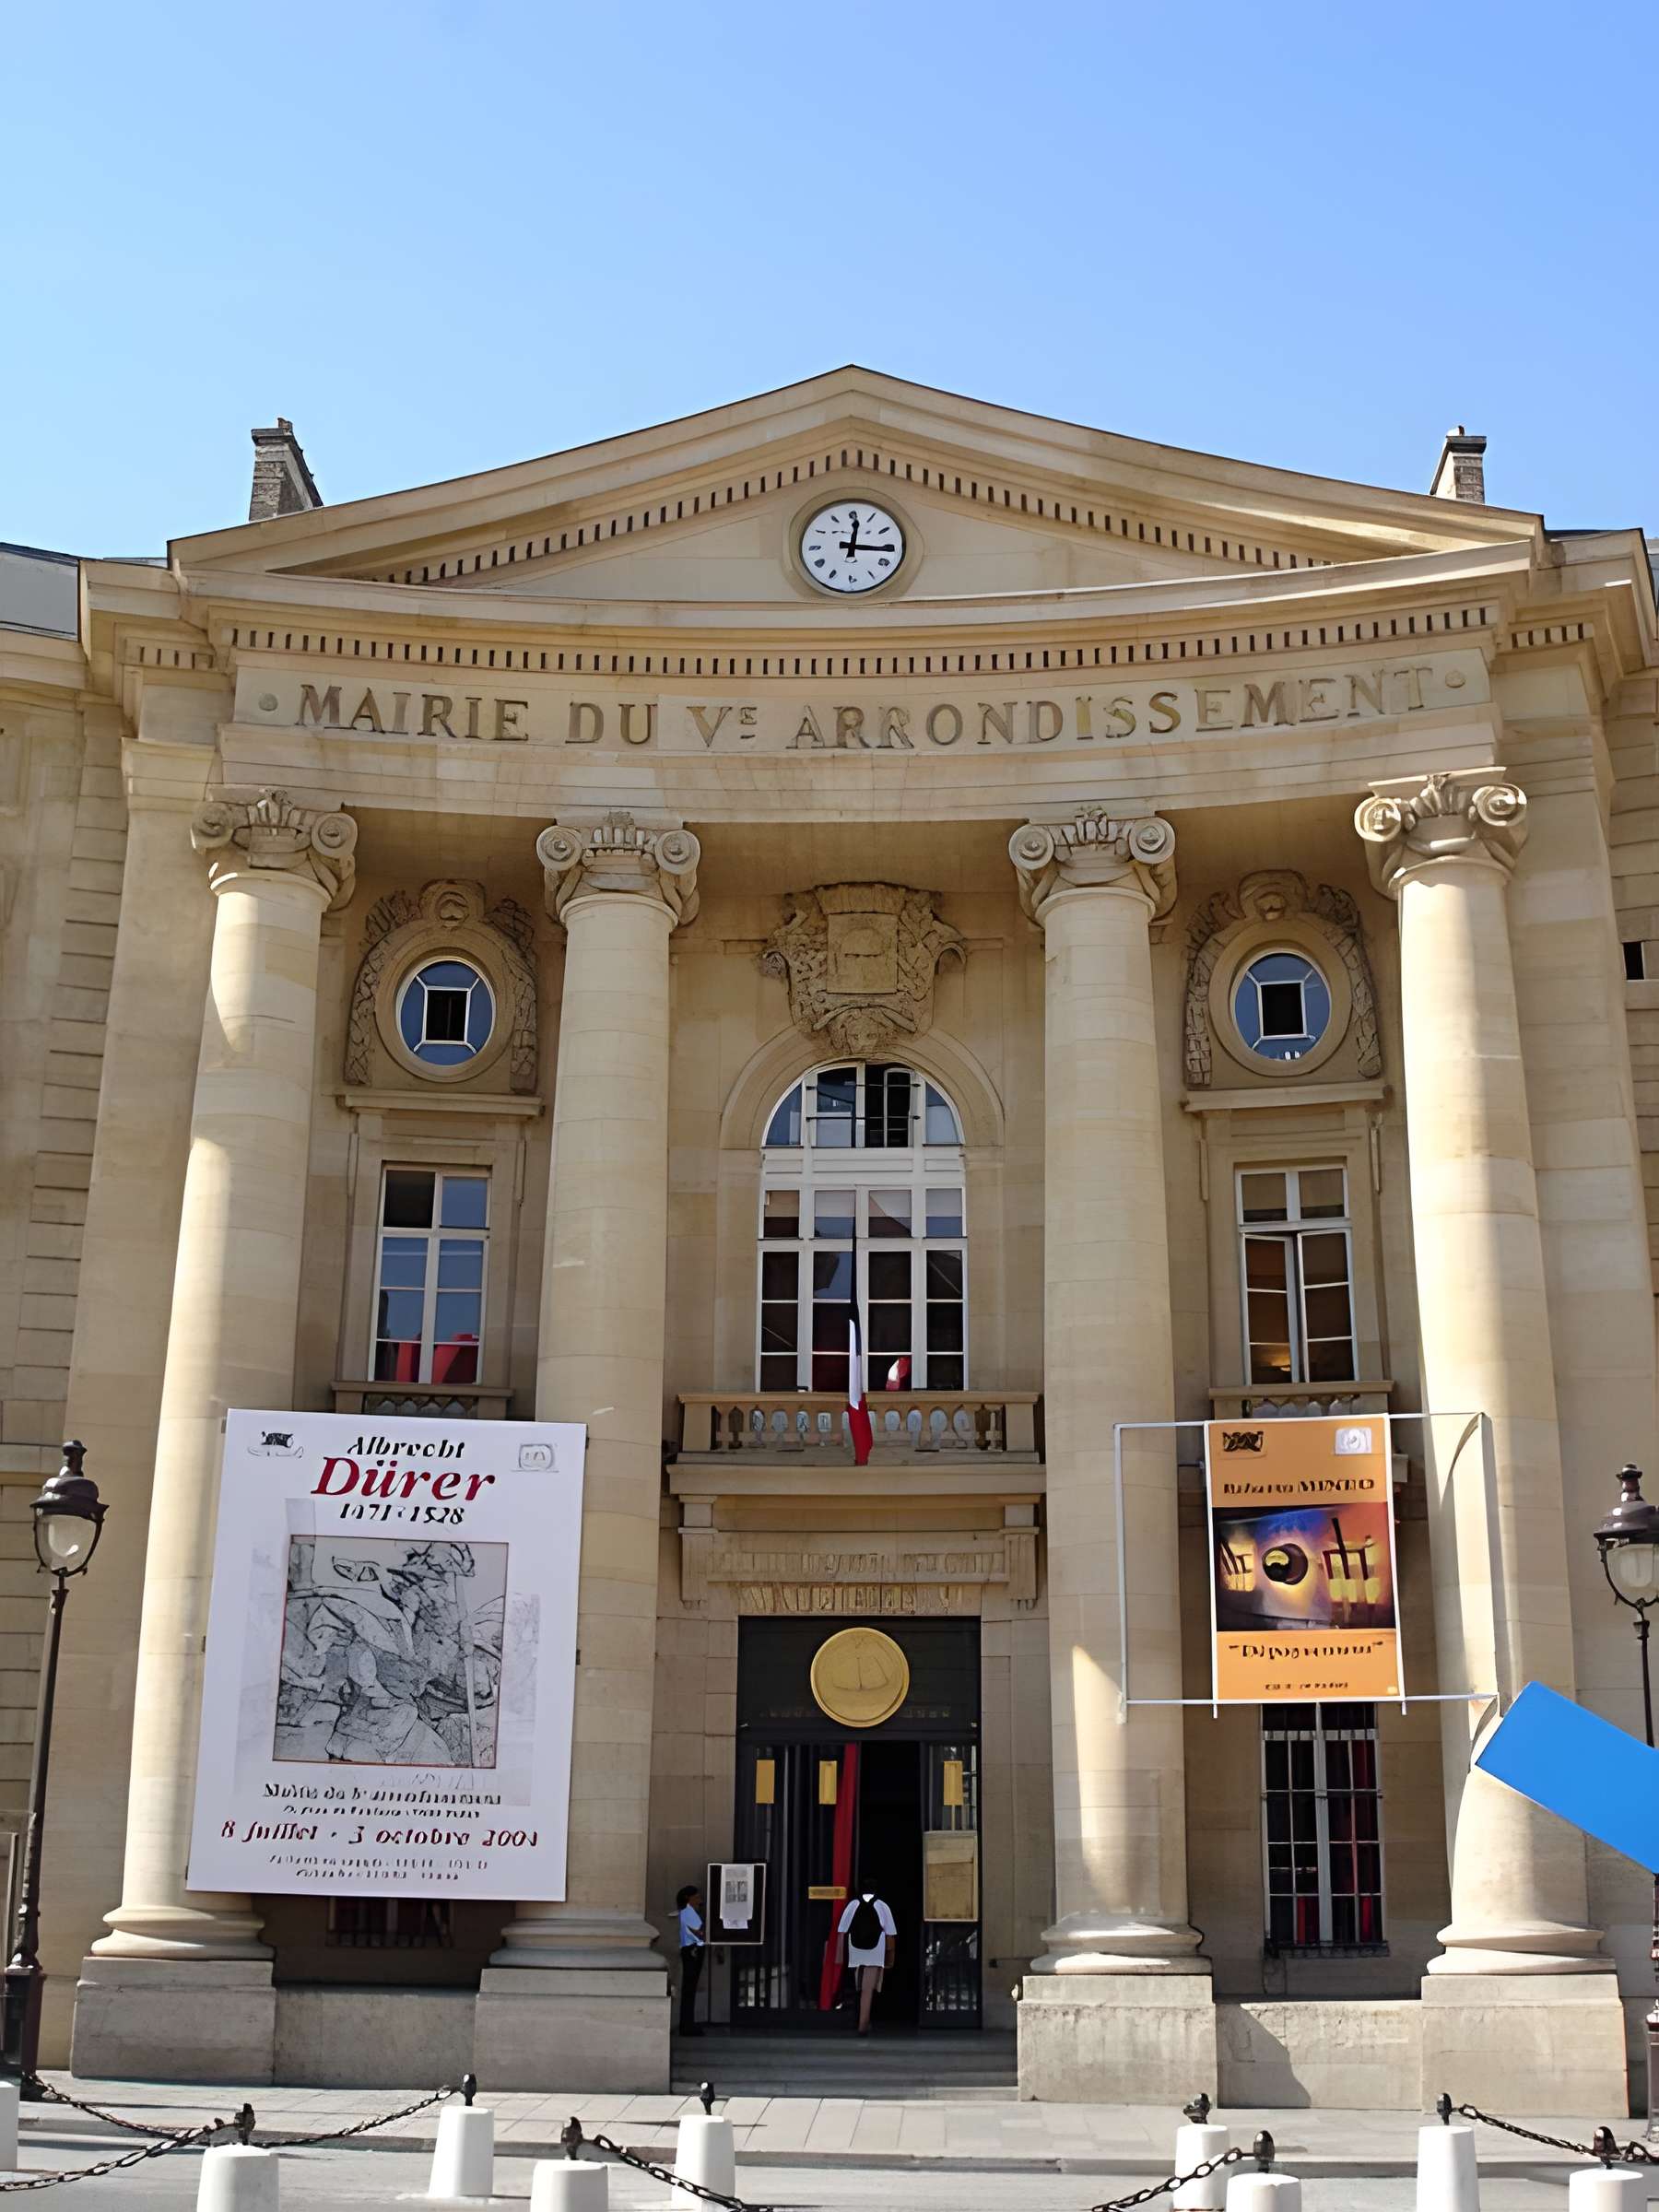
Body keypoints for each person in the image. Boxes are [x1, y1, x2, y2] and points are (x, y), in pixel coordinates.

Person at [835, 1883, 896, 2035]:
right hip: (875, 1951)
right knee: (868, 1989)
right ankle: (863, 2023)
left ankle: (858, 2019)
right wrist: (890, 1957)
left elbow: (842, 1930)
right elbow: (890, 1933)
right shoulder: (882, 1906)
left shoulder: (853, 1904)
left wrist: (840, 1957)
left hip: (855, 1951)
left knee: (858, 1987)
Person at [676, 1882, 705, 2036]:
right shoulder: (689, 1913)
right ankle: (687, 2025)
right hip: (692, 1951)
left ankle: (687, 2024)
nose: (699, 1900)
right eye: (697, 1897)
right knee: (689, 1989)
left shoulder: (687, 1912)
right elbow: (699, 1933)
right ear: (688, 1898)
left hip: (690, 1951)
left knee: (689, 1989)